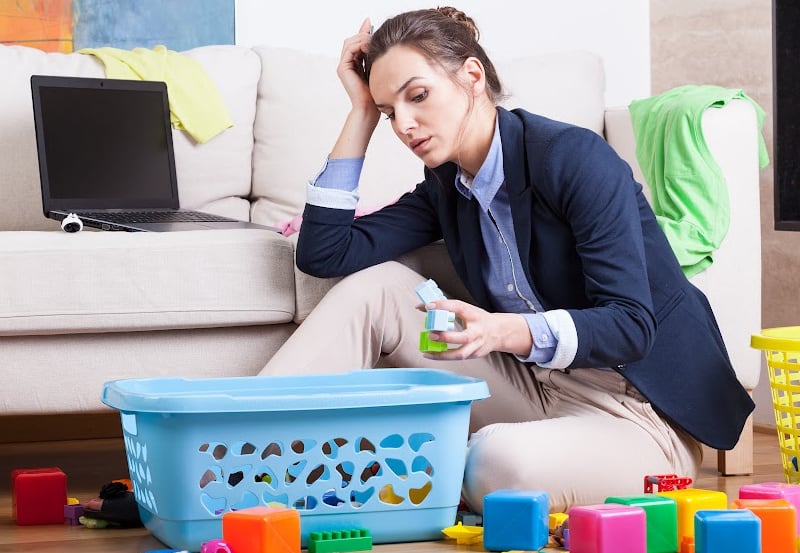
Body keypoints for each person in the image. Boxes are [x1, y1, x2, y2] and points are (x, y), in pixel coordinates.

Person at [259, 7, 754, 513]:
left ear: (472, 76)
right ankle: (243, 454)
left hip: (637, 412)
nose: (404, 124)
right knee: (378, 288)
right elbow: (325, 252)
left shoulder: (572, 157)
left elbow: (630, 325)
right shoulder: (448, 186)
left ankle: (362, 467)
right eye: (390, 111)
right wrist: (361, 113)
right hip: (535, 387)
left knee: (496, 463)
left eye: (418, 95)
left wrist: (501, 332)